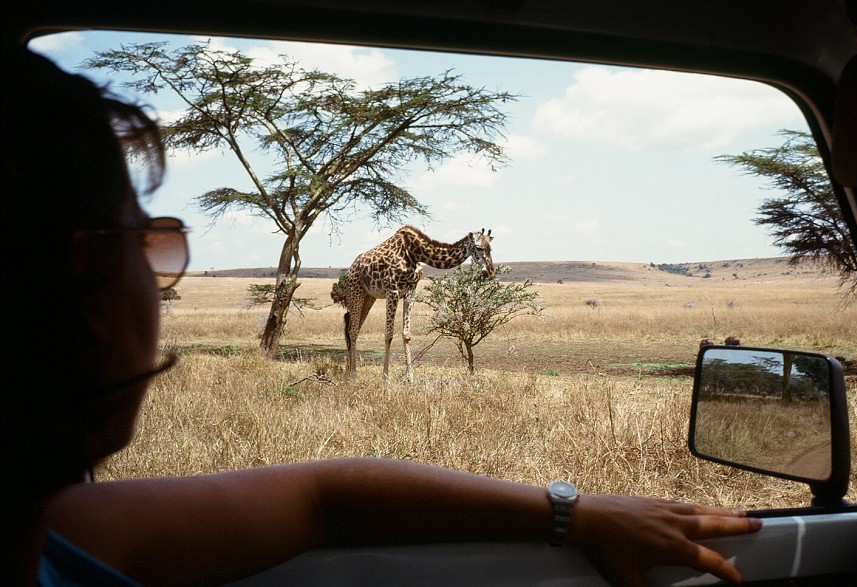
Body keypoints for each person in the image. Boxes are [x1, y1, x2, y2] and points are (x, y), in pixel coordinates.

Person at [1, 45, 762, 587]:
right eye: (150, 240)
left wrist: (576, 513)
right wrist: (574, 512)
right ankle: (366, 364)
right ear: (78, 277)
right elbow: (323, 498)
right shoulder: (75, 532)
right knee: (368, 327)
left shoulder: (63, 529)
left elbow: (328, 496)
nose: (161, 273)